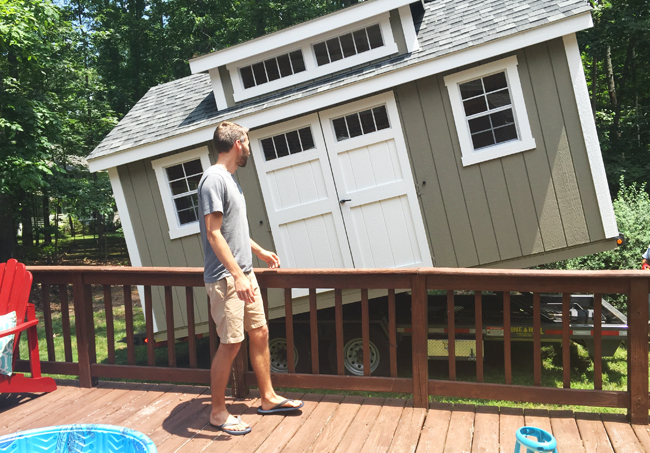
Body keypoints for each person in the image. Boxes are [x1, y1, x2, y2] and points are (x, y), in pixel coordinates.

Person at [198, 121, 303, 436]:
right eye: (247, 142)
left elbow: (235, 230)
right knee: (231, 344)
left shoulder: (231, 180)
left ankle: (268, 398)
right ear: (237, 144)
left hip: (245, 273)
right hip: (227, 279)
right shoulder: (213, 180)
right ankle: (217, 413)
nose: (249, 149)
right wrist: (236, 276)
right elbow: (214, 233)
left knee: (259, 333)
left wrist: (257, 252)